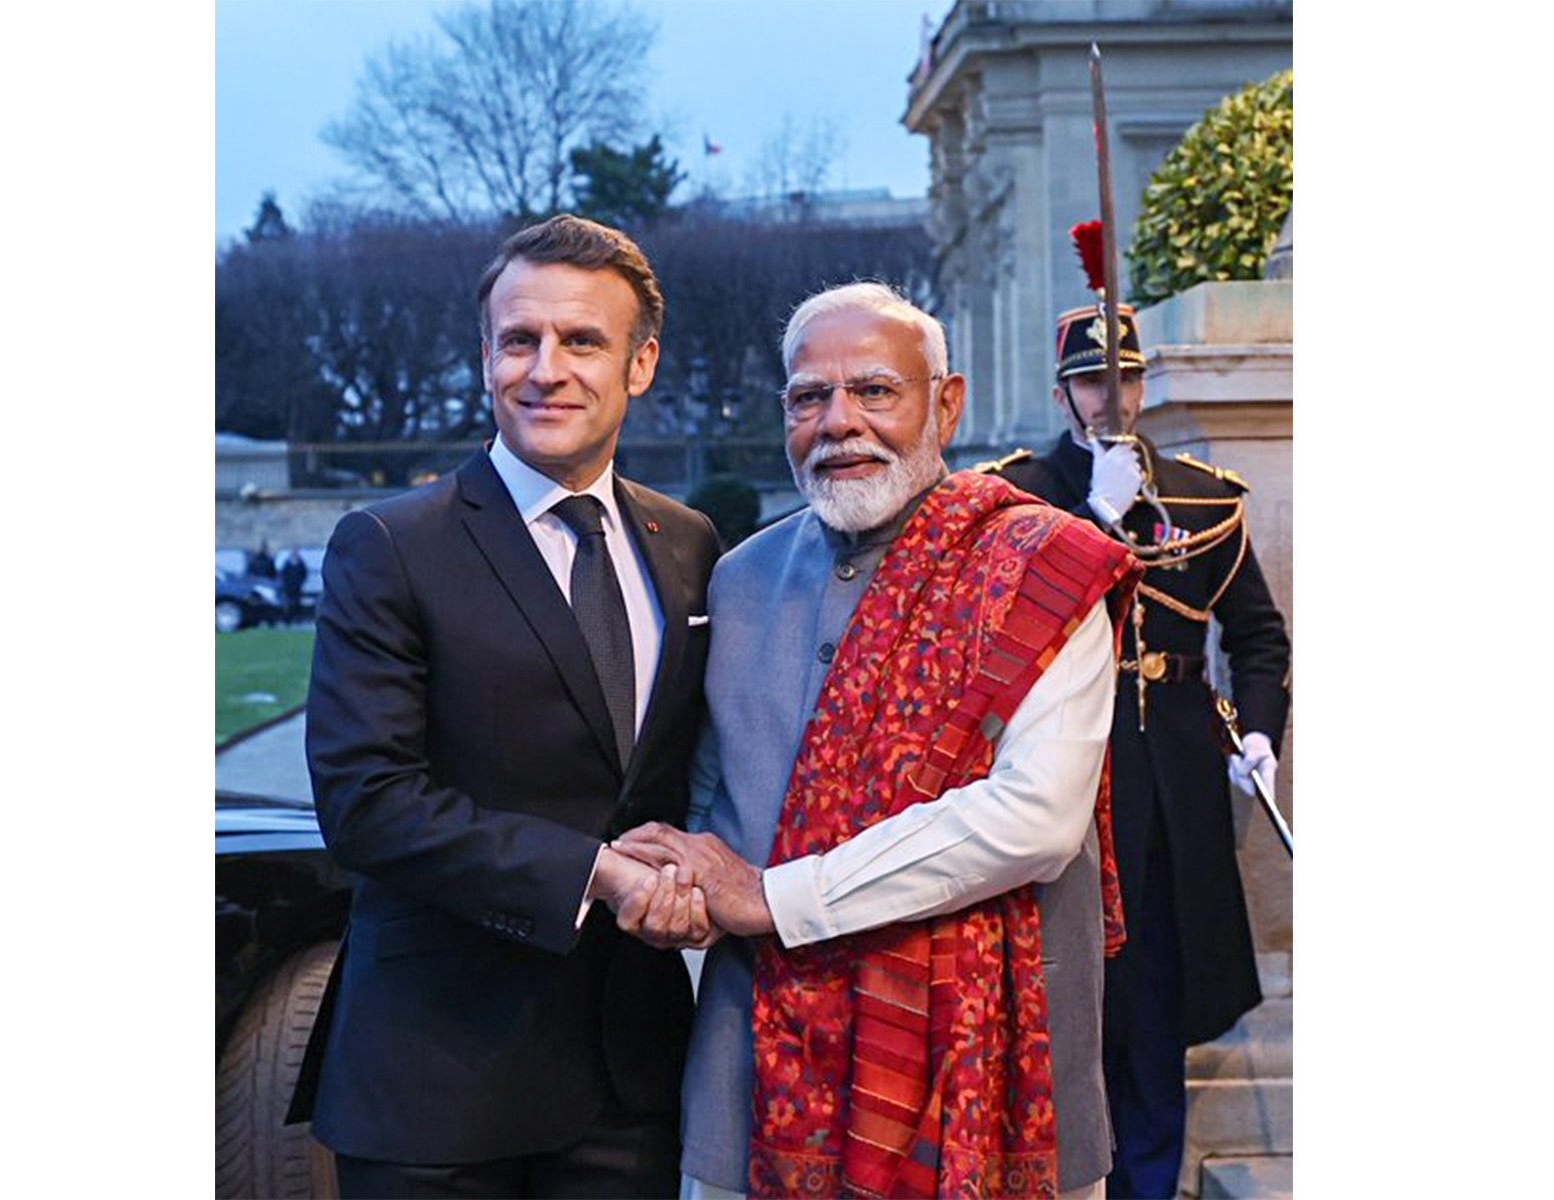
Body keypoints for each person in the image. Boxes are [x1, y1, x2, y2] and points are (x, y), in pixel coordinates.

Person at [616, 282, 1141, 1199]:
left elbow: (1036, 820)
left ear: (947, 403)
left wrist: (773, 897)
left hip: (996, 1090)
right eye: (808, 397)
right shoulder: (737, 582)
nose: (839, 423)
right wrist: (666, 885)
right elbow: (708, 809)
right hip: (758, 1094)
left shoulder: (1039, 571)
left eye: (874, 391)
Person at [292, 214, 722, 1199]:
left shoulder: (688, 543)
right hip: (437, 1087)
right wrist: (600, 874)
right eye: (518, 340)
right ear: (485, 357)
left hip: (634, 1081)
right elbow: (366, 803)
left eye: (581, 341)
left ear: (640, 363)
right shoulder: (391, 544)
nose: (546, 369)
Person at [976, 239, 1292, 1198]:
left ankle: (1148, 1183)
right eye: (1090, 383)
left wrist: (1266, 731)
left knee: (1156, 1001)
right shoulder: (1018, 498)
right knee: (1067, 998)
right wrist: (1098, 527)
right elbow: (1005, 626)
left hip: (1172, 777)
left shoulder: (1204, 499)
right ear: (1064, 391)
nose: (1110, 401)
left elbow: (1259, 636)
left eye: (1125, 380)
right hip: (1061, 776)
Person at [278, 548, 308, 623]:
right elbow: (283, 574)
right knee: (289, 603)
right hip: (289, 587)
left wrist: (300, 582)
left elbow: (304, 574)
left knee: (297, 603)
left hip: (297, 587)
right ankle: (289, 619)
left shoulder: (301, 563)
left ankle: (298, 618)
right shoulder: (287, 563)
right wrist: (286, 583)